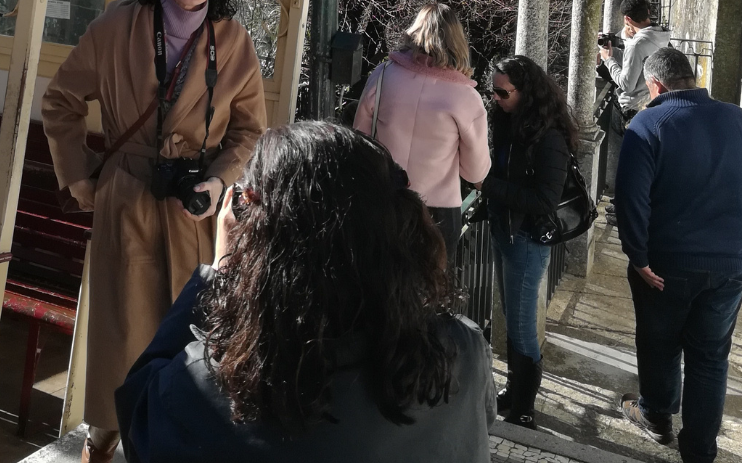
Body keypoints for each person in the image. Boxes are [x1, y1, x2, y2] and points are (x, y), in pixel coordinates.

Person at [116, 122, 496, 463]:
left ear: (261, 244)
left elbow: (140, 419)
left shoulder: (213, 386)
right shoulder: (462, 350)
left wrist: (219, 272)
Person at [41, 0, 267, 463]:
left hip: (195, 206)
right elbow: (61, 102)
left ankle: (169, 440)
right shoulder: (115, 27)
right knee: (123, 333)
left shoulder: (234, 41)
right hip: (126, 196)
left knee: (192, 331)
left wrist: (217, 180)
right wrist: (79, 178)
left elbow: (249, 132)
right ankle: (103, 439)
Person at [615, 47, 742, 463]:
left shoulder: (649, 121)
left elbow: (630, 200)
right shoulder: (741, 119)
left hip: (666, 263)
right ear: (692, 77)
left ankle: (656, 417)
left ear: (655, 85)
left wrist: (638, 257)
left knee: (659, 343)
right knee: (710, 358)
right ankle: (700, 451)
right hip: (732, 263)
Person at [353, 2, 490, 265]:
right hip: (437, 213)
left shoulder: (383, 75)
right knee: (428, 294)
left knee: (380, 287)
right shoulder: (465, 98)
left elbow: (359, 139)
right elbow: (475, 173)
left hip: (384, 199)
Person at [481, 54, 576, 430]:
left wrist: (486, 186)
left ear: (526, 92)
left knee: (521, 326)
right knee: (512, 317)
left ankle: (524, 407)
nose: (495, 99)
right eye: (492, 91)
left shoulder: (549, 136)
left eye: (502, 93)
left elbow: (543, 201)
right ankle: (513, 391)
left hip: (527, 239)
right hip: (505, 232)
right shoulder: (508, 123)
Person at [598, 0, 670, 223]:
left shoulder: (637, 44)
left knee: (628, 164)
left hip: (630, 109)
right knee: (639, 163)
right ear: (647, 12)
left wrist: (608, 59)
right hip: (650, 104)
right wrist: (627, 39)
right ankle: (623, 206)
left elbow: (627, 83)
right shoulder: (660, 35)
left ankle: (623, 210)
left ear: (628, 18)